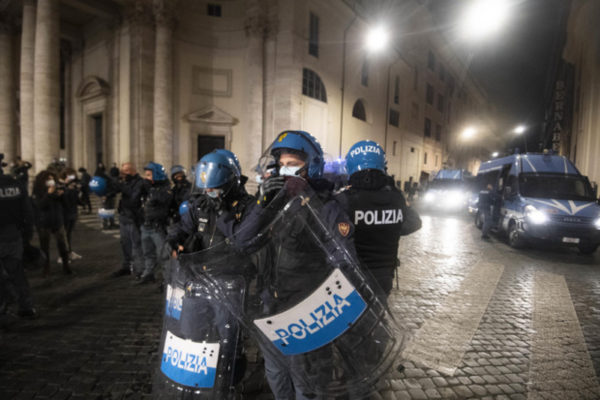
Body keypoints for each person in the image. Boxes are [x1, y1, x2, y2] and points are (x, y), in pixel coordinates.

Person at [218, 130, 356, 400]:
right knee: (276, 371)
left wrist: (320, 305)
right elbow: (242, 242)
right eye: (281, 163)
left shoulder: (326, 206)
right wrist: (262, 203)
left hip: (304, 308)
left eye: (291, 163)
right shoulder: (272, 201)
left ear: (311, 165)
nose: (285, 169)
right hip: (270, 302)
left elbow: (344, 260)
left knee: (305, 378)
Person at [335, 140, 421, 296]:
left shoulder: (344, 200)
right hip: (385, 276)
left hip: (354, 276)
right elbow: (415, 222)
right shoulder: (396, 198)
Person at [0, 154, 36, 318]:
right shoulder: (15, 184)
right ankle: (26, 306)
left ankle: (4, 306)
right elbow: (28, 212)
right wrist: (27, 235)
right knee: (17, 272)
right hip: (13, 235)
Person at [138, 161, 173, 284]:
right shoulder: (148, 188)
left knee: (164, 255)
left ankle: (167, 279)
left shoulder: (165, 188)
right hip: (146, 226)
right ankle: (149, 274)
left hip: (158, 228)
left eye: (149, 175)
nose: (146, 178)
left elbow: (162, 199)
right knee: (147, 253)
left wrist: (150, 189)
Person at [32, 170, 72, 276]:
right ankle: (46, 267)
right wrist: (49, 194)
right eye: (48, 179)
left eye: (52, 179)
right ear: (42, 181)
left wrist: (62, 195)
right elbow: (40, 206)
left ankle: (66, 266)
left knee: (63, 245)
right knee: (44, 246)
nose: (51, 181)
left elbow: (66, 205)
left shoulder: (56, 189)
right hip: (44, 222)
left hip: (57, 221)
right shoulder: (38, 191)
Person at [110, 162, 145, 278]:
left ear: (132, 171)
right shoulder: (126, 181)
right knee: (125, 244)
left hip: (134, 218)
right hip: (124, 216)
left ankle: (139, 270)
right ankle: (127, 267)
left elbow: (134, 197)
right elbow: (115, 191)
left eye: (125, 171)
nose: (123, 174)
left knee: (136, 244)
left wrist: (122, 186)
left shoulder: (140, 182)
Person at [59, 168, 82, 262]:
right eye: (71, 175)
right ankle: (63, 255)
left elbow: (77, 201)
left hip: (73, 212)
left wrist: (77, 190)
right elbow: (62, 199)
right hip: (64, 213)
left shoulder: (72, 186)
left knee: (68, 234)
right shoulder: (61, 185)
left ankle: (69, 252)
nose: (73, 178)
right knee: (63, 235)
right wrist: (66, 186)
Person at [95, 163, 118, 229]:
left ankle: (110, 223)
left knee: (108, 209)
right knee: (105, 209)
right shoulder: (102, 178)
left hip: (109, 195)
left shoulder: (106, 177)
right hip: (106, 195)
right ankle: (106, 223)